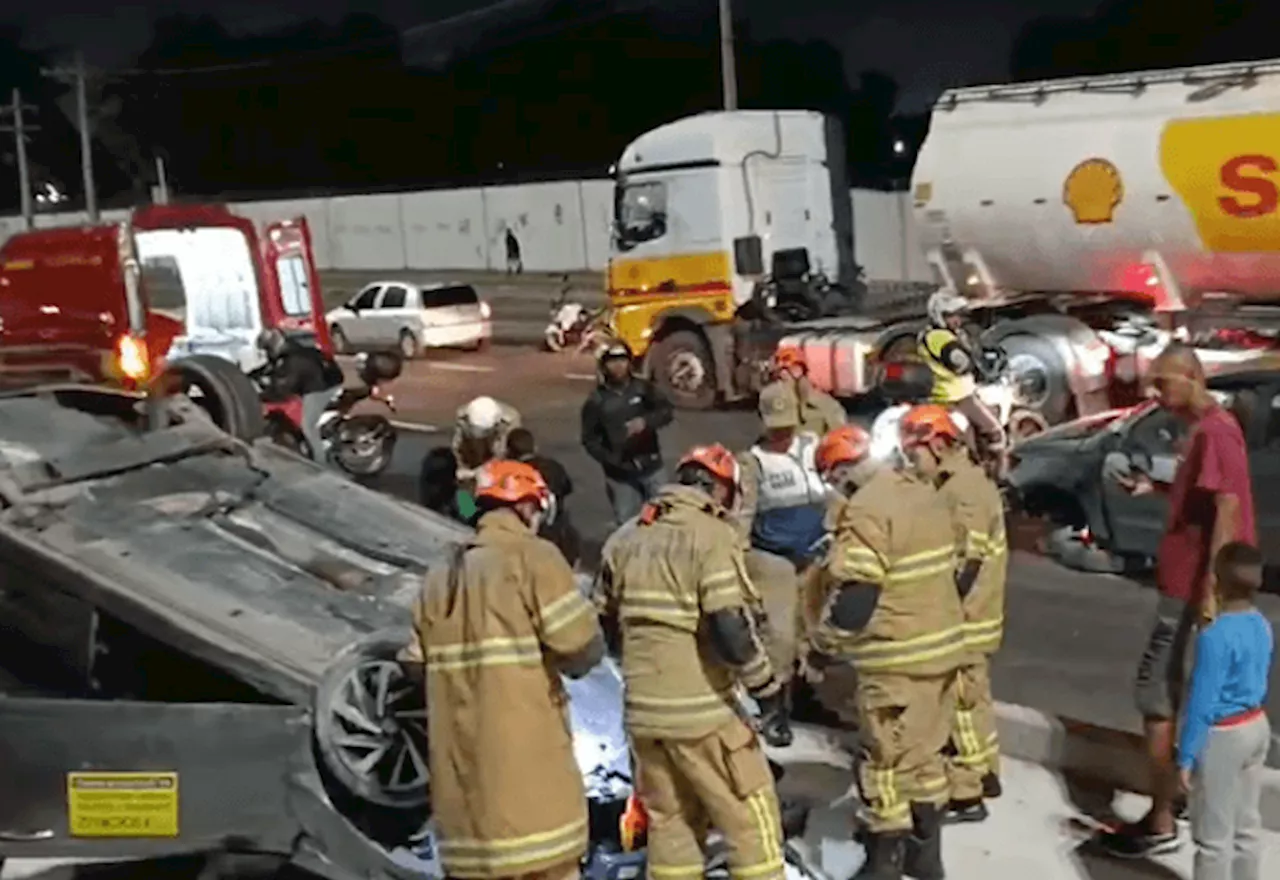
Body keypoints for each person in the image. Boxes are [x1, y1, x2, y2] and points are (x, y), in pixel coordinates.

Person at [595, 443, 791, 880]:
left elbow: (605, 626)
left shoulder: (625, 537)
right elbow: (729, 627)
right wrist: (767, 689)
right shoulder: (710, 536)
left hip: (644, 719)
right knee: (751, 818)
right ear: (721, 491)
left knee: (671, 825)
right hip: (703, 715)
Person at [401, 459, 605, 880]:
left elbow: (414, 666)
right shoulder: (533, 558)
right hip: (532, 801)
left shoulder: (441, 574)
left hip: (465, 814)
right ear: (528, 507)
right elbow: (581, 649)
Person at [1102, 342, 1257, 859]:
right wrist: (1158, 490)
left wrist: (1211, 590)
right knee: (1183, 691)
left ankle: (1161, 819)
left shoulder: (1215, 432)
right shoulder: (1210, 430)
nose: (1155, 392)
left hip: (1187, 587)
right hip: (1188, 582)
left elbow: (1228, 508)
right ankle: (1177, 801)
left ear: (1191, 377)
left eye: (1162, 382)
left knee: (1155, 693)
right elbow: (1205, 498)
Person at [805, 405, 968, 880]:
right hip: (942, 651)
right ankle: (926, 856)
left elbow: (857, 596)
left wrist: (823, 646)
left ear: (840, 473)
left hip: (895, 660)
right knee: (926, 758)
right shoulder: (921, 494)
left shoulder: (865, 511)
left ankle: (884, 865)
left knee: (884, 765)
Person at [912, 404, 1008, 824]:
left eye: (914, 451)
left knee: (961, 706)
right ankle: (986, 772)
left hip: (964, 620)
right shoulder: (959, 482)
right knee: (974, 698)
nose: (910, 460)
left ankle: (967, 793)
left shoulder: (963, 490)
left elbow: (966, 562)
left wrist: (939, 609)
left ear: (936, 444)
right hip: (973, 617)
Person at [1178, 541, 1273, 880]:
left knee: (1212, 836)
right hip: (1256, 724)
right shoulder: (1262, 625)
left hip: (1224, 735)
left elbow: (1202, 702)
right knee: (1246, 824)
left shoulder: (1214, 636)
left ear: (1215, 581)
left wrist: (1187, 756)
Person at [736, 382, 830, 699]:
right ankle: (776, 703)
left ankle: (808, 697)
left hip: (816, 554)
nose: (782, 434)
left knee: (813, 631)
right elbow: (744, 511)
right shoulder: (753, 461)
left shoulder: (813, 446)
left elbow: (835, 491)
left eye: (787, 426)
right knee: (780, 635)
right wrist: (737, 552)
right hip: (775, 560)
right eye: (775, 428)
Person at [580, 341, 673, 526]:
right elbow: (589, 439)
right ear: (604, 366)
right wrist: (611, 459)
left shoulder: (643, 388)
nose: (618, 366)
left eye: (622, 360)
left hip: (652, 467)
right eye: (613, 361)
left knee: (665, 519)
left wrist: (646, 422)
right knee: (627, 525)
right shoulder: (596, 401)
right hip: (620, 476)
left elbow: (666, 411)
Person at [916, 289, 1006, 471]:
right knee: (995, 432)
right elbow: (958, 360)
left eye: (958, 315)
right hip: (955, 398)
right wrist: (981, 369)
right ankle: (999, 475)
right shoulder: (938, 337)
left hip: (952, 396)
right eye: (950, 315)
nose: (956, 319)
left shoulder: (944, 333)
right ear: (939, 315)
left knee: (969, 442)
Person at [254, 327, 344, 463]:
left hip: (321, 388)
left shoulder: (293, 360)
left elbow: (283, 388)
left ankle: (320, 462)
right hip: (325, 380)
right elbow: (271, 368)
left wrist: (262, 396)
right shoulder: (289, 350)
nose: (266, 353)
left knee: (307, 425)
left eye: (266, 349)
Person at [507, 427, 581, 568]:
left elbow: (472, 512)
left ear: (509, 451)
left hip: (524, 543)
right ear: (535, 447)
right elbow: (567, 490)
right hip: (556, 537)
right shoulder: (553, 467)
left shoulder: (507, 473)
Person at [765, 348, 847, 436]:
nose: (783, 377)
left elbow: (839, 440)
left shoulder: (827, 406)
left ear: (801, 371)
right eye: (778, 375)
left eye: (791, 370)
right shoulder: (773, 406)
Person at [453, 396, 521, 487]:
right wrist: (464, 471)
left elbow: (508, 453)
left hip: (499, 466)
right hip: (472, 461)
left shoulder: (511, 421)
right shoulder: (463, 416)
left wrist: (488, 470)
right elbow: (459, 447)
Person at [418, 446, 478, 525]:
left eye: (438, 479)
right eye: (430, 480)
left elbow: (474, 522)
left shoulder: (463, 500)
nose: (432, 488)